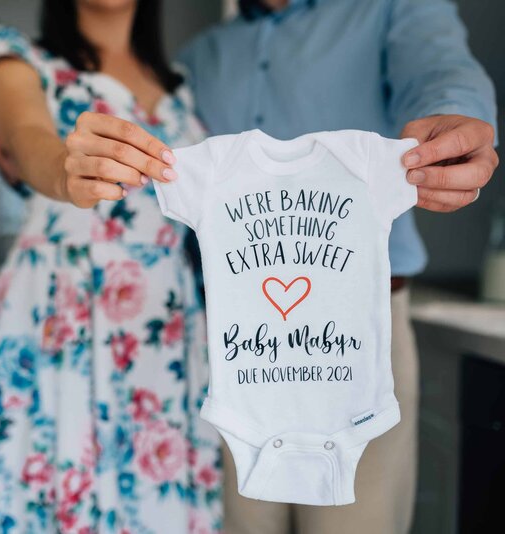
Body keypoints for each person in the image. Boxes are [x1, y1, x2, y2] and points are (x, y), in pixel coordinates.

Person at [175, 0, 497, 532]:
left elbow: (441, 68)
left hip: (356, 337)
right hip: (237, 345)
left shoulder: (391, 9)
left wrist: (459, 120)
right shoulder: (198, 58)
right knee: (241, 524)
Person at [0, 1, 223, 532]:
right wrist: (66, 172)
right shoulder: (18, 57)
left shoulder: (182, 87)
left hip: (163, 326)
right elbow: (29, 138)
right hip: (60, 310)